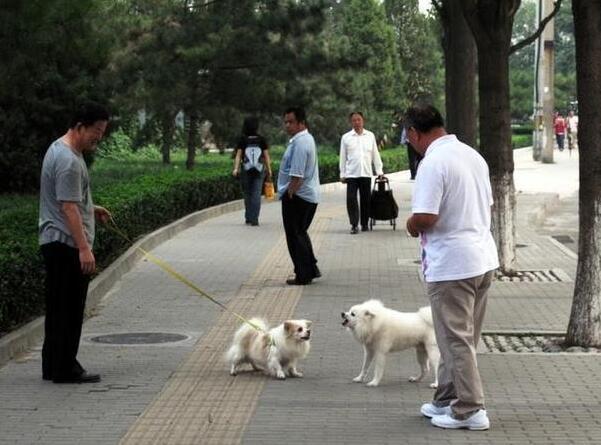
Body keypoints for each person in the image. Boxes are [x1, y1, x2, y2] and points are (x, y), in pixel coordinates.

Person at [404, 104, 499, 431]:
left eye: (408, 137)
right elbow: (488, 205)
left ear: (415, 133)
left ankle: (470, 409)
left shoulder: (432, 162)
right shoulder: (472, 156)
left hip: (452, 266)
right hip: (482, 259)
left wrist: (411, 223)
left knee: (455, 340)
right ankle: (446, 398)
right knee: (460, 338)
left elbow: (427, 217)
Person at [39, 102, 112, 384]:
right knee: (69, 309)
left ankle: (52, 364)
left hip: (54, 242)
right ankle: (65, 368)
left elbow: (67, 201)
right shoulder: (69, 160)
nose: (99, 137)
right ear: (80, 126)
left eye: (103, 132)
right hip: (66, 245)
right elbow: (68, 208)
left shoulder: (59, 148)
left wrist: (91, 209)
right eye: (96, 131)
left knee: (57, 308)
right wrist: (84, 248)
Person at [278, 107, 321, 285]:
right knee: (300, 233)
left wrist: (290, 192)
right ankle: (310, 268)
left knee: (295, 235)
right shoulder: (304, 140)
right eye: (286, 122)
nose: (287, 125)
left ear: (301, 123)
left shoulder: (301, 143)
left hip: (298, 196)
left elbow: (297, 174)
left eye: (291, 122)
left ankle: (303, 274)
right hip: (305, 195)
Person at [339, 112, 384, 234]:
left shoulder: (370, 136)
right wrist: (342, 174)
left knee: (366, 200)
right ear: (351, 122)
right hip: (352, 174)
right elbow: (343, 157)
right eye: (354, 120)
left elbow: (375, 154)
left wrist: (379, 171)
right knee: (351, 199)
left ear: (363, 121)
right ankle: (354, 224)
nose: (356, 122)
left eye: (359, 120)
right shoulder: (346, 137)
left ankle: (364, 223)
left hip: (366, 173)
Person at [232, 116, 272, 226]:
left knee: (247, 193)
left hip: (246, 169)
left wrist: (236, 169)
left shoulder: (243, 139)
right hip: (259, 170)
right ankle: (255, 219)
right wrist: (269, 170)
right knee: (256, 194)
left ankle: (249, 217)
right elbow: (266, 156)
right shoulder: (261, 139)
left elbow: (238, 156)